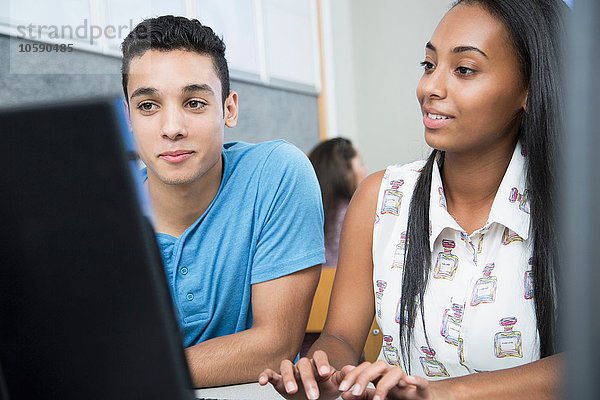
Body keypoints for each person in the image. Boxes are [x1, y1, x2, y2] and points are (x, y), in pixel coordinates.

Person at [259, 0, 566, 398]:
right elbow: (340, 337)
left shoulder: (576, 205)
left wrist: (436, 393)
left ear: (527, 88)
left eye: (464, 70)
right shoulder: (379, 198)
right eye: (428, 65)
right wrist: (324, 372)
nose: (430, 87)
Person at [120, 15, 325, 387]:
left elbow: (273, 346)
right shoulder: (104, 210)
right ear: (128, 118)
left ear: (229, 109)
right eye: (148, 106)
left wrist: (137, 373)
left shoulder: (276, 174)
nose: (172, 128)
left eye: (194, 102)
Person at [308, 138, 367, 266]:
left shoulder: (308, 215)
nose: (365, 172)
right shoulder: (353, 213)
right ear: (346, 171)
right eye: (361, 164)